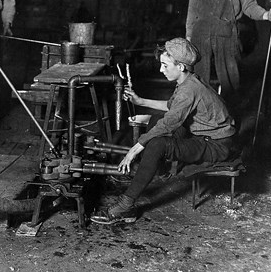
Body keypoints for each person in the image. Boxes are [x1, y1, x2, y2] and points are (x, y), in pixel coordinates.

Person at [91, 38, 237, 225]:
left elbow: (170, 122)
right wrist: (141, 102)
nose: (161, 70)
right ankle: (149, 171)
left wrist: (134, 149)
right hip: (205, 137)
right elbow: (173, 107)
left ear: (181, 67)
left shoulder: (188, 90)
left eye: (165, 65)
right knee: (155, 124)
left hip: (216, 145)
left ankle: (125, 207)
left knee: (157, 143)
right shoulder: (189, 82)